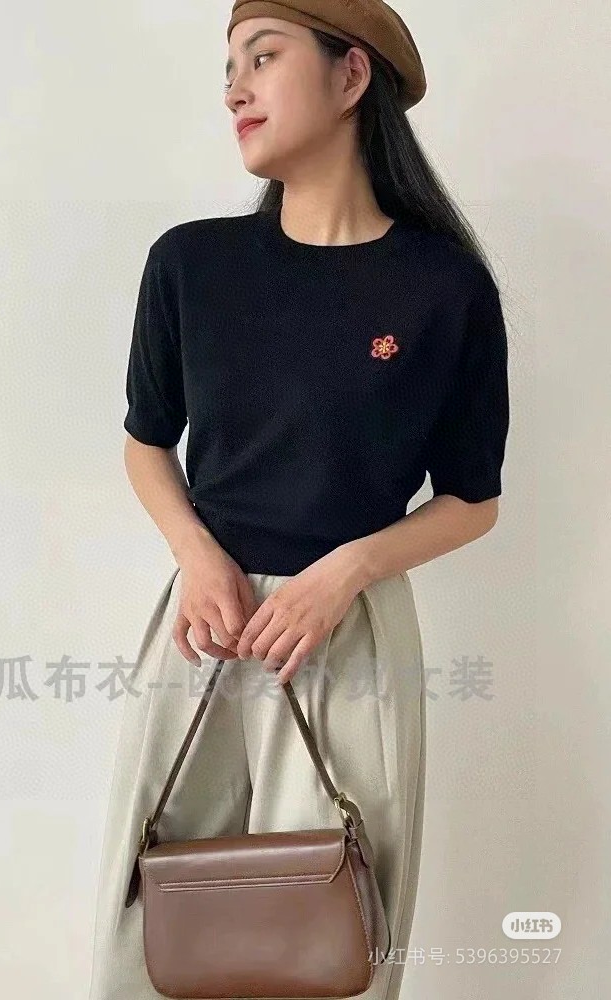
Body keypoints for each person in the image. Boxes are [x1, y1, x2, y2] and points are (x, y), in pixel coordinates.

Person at [88, 1, 510, 997]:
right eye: (229, 67)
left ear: (351, 75)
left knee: (330, 940)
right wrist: (198, 556)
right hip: (204, 626)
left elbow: (473, 498)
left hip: (349, 637)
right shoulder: (192, 264)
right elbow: (147, 442)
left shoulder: (442, 288)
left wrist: (345, 571)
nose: (234, 89)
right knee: (145, 926)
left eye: (263, 58)